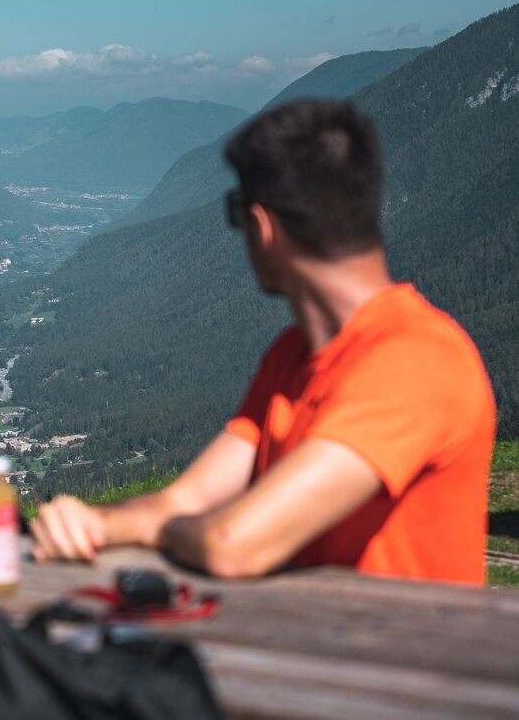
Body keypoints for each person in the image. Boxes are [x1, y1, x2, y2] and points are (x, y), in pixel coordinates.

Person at [31, 99, 495, 585]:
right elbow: (187, 500)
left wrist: (156, 529)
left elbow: (233, 545)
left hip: (406, 658)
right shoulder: (293, 355)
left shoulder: (417, 361)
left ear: (263, 227)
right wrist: (94, 523)